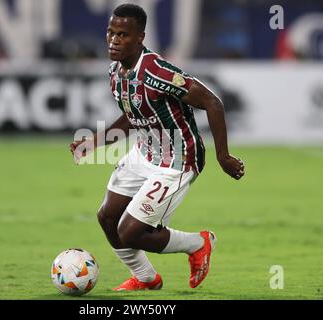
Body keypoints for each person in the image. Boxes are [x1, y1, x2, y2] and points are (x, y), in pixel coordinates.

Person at [70, 4, 245, 291]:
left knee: (130, 231)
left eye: (123, 34)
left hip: (178, 159)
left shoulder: (158, 73)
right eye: (111, 32)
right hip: (144, 153)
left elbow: (212, 102)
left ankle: (199, 243)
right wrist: (94, 143)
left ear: (140, 37)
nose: (114, 40)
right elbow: (131, 116)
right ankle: (146, 279)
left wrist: (223, 156)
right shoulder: (116, 72)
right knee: (107, 217)